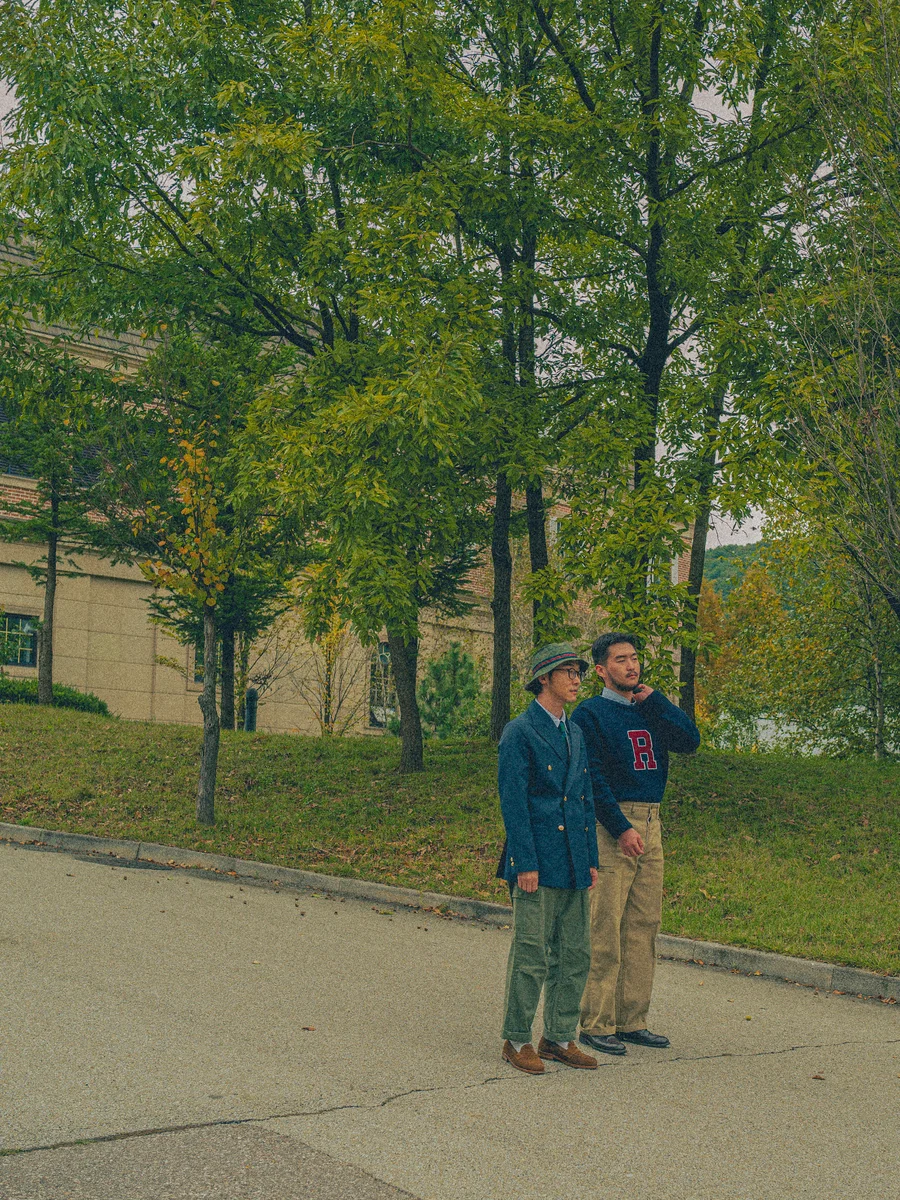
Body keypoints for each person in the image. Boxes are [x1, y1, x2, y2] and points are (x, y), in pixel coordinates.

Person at [570, 632, 700, 1056]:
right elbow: (591, 777)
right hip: (613, 826)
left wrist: (657, 701)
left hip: (652, 820)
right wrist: (620, 827)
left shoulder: (650, 709)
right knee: (605, 925)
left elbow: (690, 741)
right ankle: (596, 1022)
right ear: (601, 670)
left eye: (634, 658)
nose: (631, 665)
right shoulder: (589, 715)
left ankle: (631, 1020)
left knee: (643, 926)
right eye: (620, 660)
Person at [496, 643, 601, 1074]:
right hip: (536, 861)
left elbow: (584, 798)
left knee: (575, 954)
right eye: (568, 671)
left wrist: (590, 858)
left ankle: (558, 1036)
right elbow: (513, 802)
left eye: (578, 672)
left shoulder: (574, 732)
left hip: (573, 859)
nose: (576, 679)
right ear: (544, 678)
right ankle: (516, 1039)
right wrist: (525, 862)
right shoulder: (520, 731)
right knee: (531, 954)